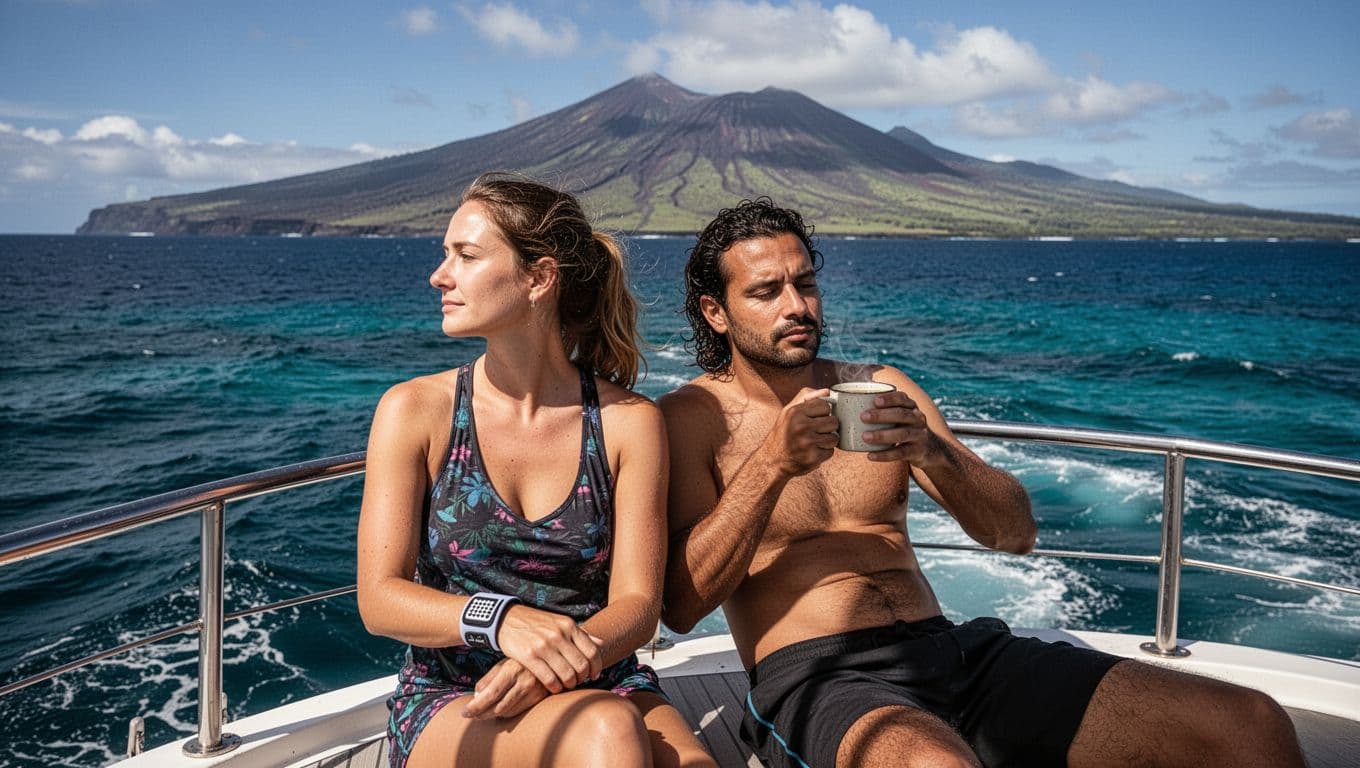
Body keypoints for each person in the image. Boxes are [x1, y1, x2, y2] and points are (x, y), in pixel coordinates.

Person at [658, 197, 1306, 768]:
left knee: (1248, 724)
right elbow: (682, 607)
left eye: (806, 283)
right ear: (716, 312)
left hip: (955, 654)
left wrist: (933, 451)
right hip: (816, 678)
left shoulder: (882, 385)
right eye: (767, 291)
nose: (797, 306)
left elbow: (1014, 532)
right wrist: (771, 464)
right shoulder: (690, 421)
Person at [357, 173, 716, 768]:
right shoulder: (415, 411)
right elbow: (380, 599)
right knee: (608, 732)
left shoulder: (629, 423)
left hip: (601, 671)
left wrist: (557, 664)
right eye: (445, 255)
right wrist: (502, 622)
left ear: (540, 278)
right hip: (457, 696)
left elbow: (638, 602)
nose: (439, 276)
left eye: (465, 256)